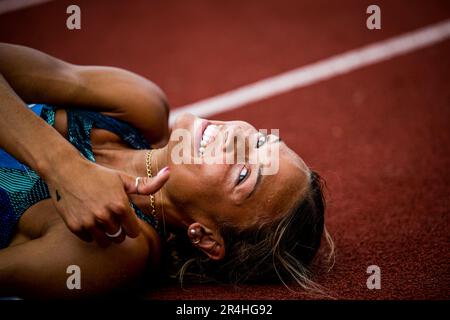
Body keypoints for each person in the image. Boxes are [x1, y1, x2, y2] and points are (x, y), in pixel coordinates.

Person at [0, 43, 333, 298]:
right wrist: (64, 167)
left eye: (243, 175)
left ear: (204, 236)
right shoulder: (138, 105)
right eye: (260, 141)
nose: (237, 137)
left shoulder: (118, 247)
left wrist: (63, 167)